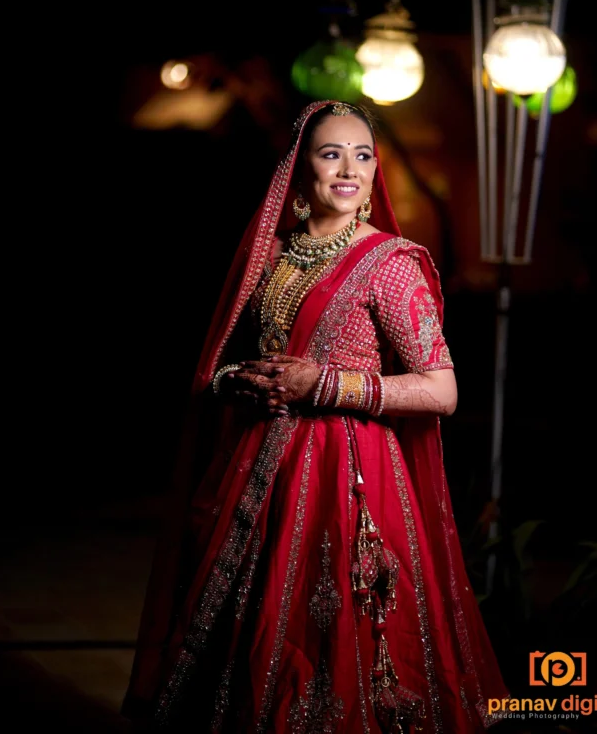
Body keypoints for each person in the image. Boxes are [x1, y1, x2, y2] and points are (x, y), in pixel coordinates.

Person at [123, 99, 509, 732]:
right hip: (257, 471)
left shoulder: (390, 265)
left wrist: (324, 384)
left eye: (362, 155)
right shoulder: (274, 257)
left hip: (349, 477)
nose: (348, 169)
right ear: (300, 172)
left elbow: (442, 390)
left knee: (335, 643)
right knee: (247, 638)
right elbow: (237, 360)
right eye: (331, 154)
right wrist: (236, 383)